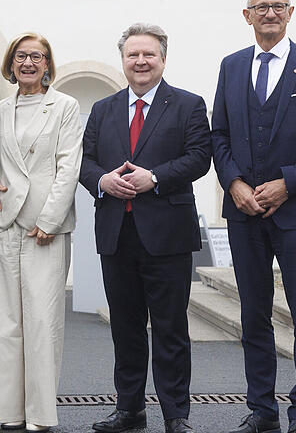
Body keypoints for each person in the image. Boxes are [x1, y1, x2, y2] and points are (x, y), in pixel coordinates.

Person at [212, 0, 296, 433]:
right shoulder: (231, 67)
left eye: (277, 6)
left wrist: (288, 184)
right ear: (246, 16)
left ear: (290, 13)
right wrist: (233, 183)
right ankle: (262, 409)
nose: (269, 13)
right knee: (253, 313)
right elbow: (219, 136)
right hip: (244, 212)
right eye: (260, 7)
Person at [79, 23, 211, 433]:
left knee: (171, 328)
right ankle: (129, 410)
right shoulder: (103, 109)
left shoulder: (188, 104)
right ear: (122, 61)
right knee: (126, 327)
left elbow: (200, 157)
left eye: (148, 54)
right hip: (117, 233)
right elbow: (83, 161)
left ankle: (176, 415)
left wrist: (154, 177)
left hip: (167, 234)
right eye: (133, 55)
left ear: (163, 59)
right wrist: (102, 181)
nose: (140, 61)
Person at [0, 33, 82, 432]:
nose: (28, 63)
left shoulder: (65, 107)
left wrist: (50, 220)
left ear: (47, 64)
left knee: (42, 322)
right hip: (5, 221)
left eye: (36, 57)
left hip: (45, 229)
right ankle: (8, 412)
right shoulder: (1, 109)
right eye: (21, 57)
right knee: (6, 324)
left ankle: (40, 415)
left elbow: (68, 166)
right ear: (11, 62)